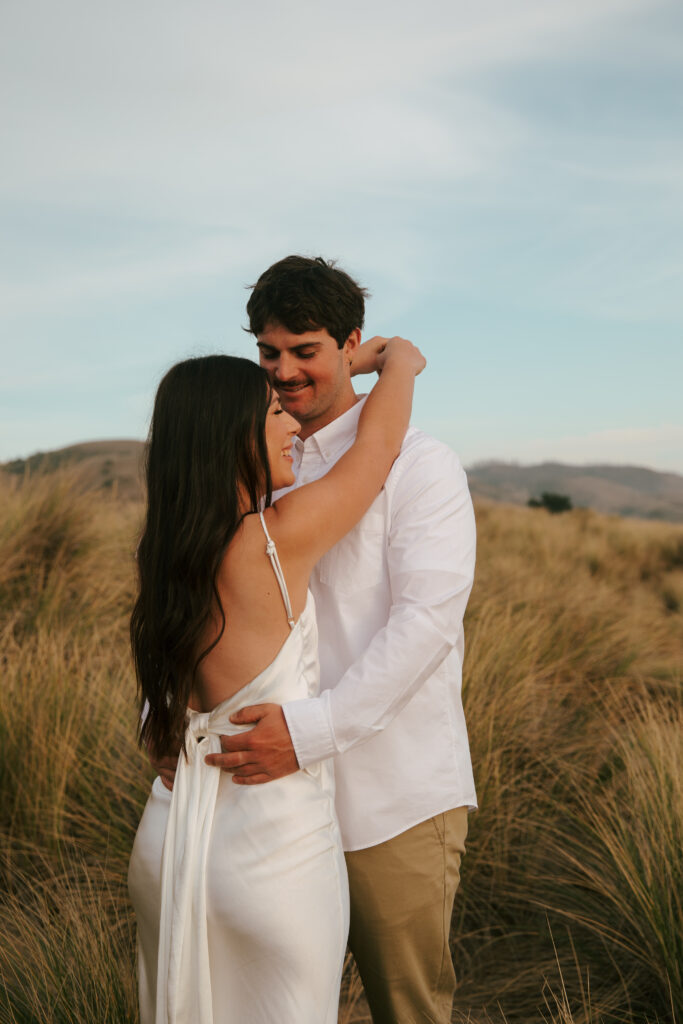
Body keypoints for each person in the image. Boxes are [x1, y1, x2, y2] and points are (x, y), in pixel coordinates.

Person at [206, 256, 478, 1024]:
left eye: (305, 350)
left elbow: (426, 621)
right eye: (268, 351)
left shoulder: (419, 465)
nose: (284, 371)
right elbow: (200, 599)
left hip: (388, 798)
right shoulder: (251, 460)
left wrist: (313, 731)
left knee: (407, 1008)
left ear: (350, 344)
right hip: (266, 800)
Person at [127, 340, 425, 1024]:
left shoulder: (163, 551)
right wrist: (399, 363)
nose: (292, 424)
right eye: (272, 413)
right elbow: (376, 452)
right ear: (231, 435)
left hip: (166, 841)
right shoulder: (273, 540)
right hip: (270, 852)